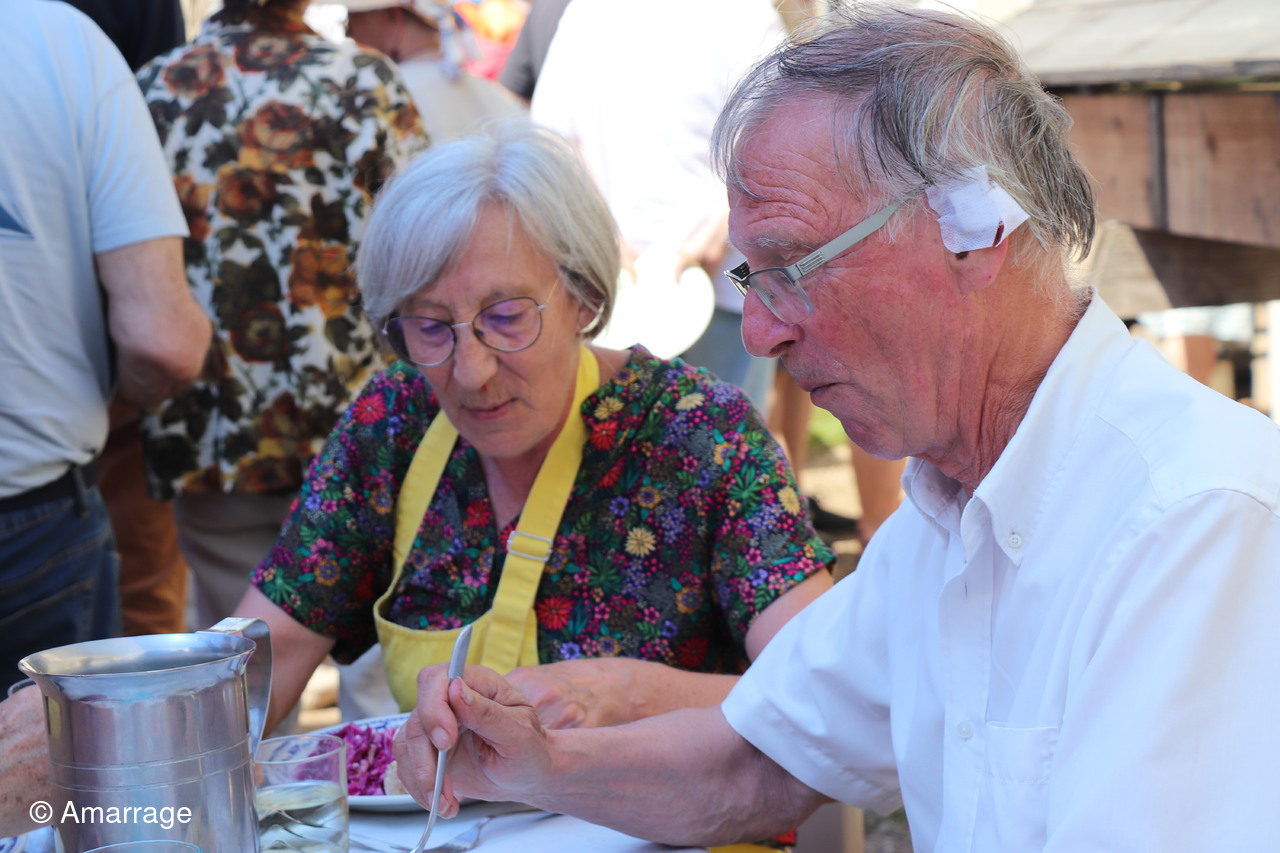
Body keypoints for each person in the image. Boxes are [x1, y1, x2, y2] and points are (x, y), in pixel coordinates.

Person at [390, 7, 1280, 851]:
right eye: (752, 276)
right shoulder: (946, 515)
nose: (760, 331)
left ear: (974, 235)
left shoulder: (1194, 518)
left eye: (792, 265)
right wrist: (536, 765)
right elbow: (760, 761)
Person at [233, 121, 833, 748]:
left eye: (505, 317)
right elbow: (260, 665)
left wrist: (629, 693)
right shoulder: (395, 424)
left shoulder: (701, 436)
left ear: (584, 298)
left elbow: (827, 692)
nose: (471, 371)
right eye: (430, 327)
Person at [136, 0, 427, 632]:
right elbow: (426, 241)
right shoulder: (364, 80)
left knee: (238, 656)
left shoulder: (155, 89)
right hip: (358, 419)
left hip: (212, 426)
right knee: (382, 643)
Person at [0, 0, 211, 690]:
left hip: (41, 506)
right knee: (66, 765)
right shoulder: (57, 41)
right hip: (33, 510)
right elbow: (164, 342)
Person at [531, 0, 785, 410]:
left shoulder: (588, 12)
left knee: (669, 435)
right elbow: (553, 142)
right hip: (634, 285)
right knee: (708, 438)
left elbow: (552, 140)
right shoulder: (589, 12)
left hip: (690, 282)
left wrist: (715, 231)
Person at [341, 0, 525, 142]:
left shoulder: (388, 95)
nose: (349, 32)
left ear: (394, 17)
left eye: (352, 19)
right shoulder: (494, 93)